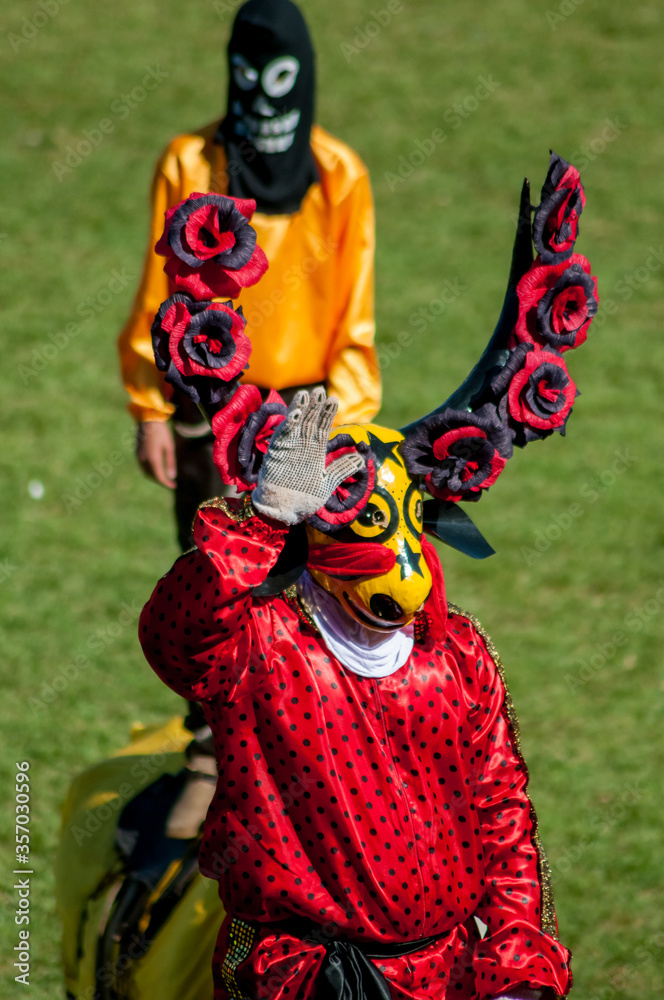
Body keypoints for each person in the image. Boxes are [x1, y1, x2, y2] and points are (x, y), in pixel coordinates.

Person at [138, 151, 597, 998]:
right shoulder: (260, 648)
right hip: (305, 979)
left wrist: (520, 971)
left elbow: (503, 825)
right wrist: (262, 521)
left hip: (448, 973)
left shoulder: (457, 660)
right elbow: (174, 638)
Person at [118, 0, 380, 552]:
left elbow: (355, 322)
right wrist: (150, 411)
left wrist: (346, 430)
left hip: (308, 419)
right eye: (248, 76)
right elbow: (154, 300)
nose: (263, 97)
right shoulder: (188, 165)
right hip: (210, 410)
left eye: (281, 77)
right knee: (216, 591)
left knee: (306, 602)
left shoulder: (340, 175)